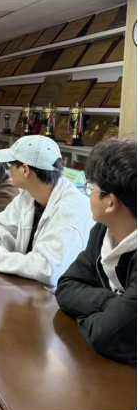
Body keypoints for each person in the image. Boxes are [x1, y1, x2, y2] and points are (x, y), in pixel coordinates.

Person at [0, 135, 94, 291]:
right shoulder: (28, 195)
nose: (8, 170)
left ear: (25, 170)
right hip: (25, 290)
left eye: (11, 165)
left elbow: (46, 269)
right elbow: (3, 229)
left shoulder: (71, 210)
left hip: (54, 300)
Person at [57, 139, 136, 365]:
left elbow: (107, 336)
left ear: (110, 203)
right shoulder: (102, 231)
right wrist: (112, 304)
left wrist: (107, 317)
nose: (89, 194)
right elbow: (66, 286)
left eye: (92, 188)